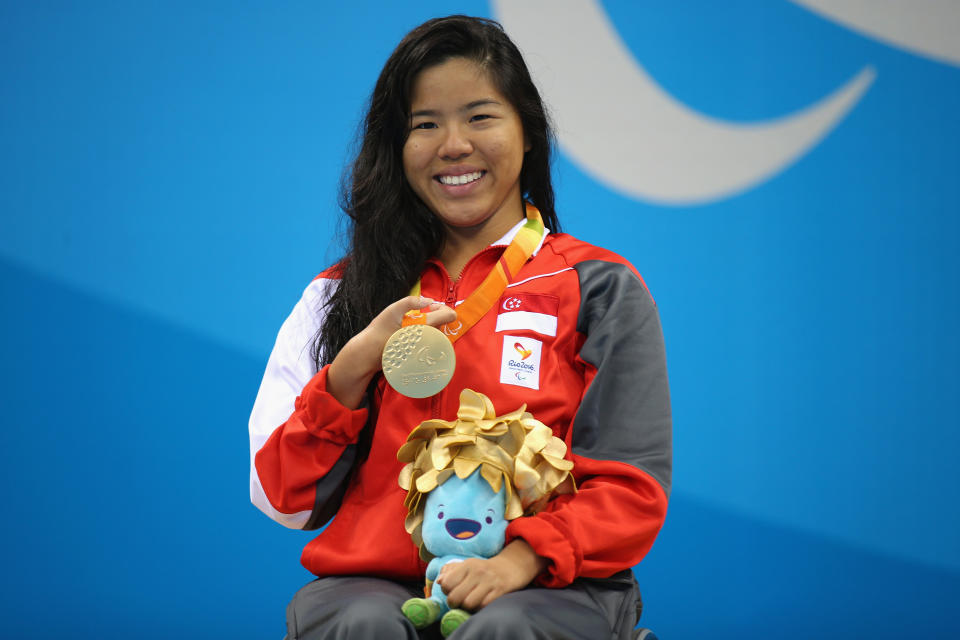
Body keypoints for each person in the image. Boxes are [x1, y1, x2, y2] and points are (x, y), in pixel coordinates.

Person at [249, 15, 671, 640]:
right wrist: (354, 366)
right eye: (425, 125)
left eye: (480, 116)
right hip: (374, 582)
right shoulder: (342, 292)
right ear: (396, 148)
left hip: (550, 582)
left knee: (499, 632)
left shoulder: (599, 287)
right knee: (364, 626)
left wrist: (522, 557)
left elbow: (630, 488)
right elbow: (285, 500)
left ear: (528, 132)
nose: (453, 145)